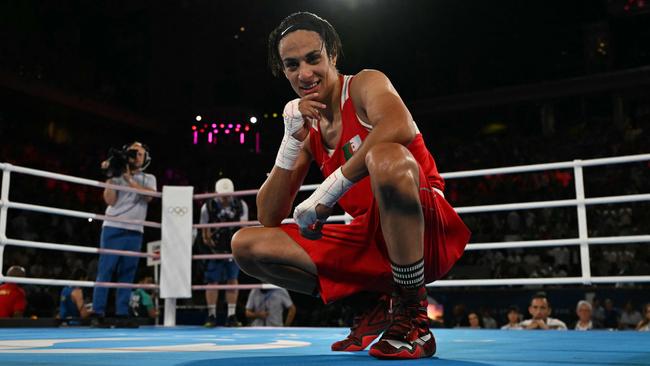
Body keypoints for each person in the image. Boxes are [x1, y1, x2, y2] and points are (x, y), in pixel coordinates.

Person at [231, 12, 470, 359]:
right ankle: (369, 303)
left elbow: (399, 125)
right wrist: (290, 141)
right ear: (283, 71)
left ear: (332, 56)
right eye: (292, 64)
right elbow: (268, 216)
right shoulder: (308, 126)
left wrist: (329, 189)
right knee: (246, 245)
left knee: (388, 157)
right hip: (369, 241)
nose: (305, 74)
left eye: (313, 59)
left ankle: (413, 316)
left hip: (425, 228)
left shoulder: (363, 84)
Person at [92, 141, 157, 326]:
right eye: (133, 152)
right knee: (106, 270)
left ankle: (121, 313)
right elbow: (110, 201)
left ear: (146, 158)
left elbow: (149, 196)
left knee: (127, 273)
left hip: (135, 230)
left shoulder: (149, 178)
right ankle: (98, 312)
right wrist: (113, 175)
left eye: (140, 154)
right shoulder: (116, 175)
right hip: (113, 226)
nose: (136, 156)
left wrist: (129, 178)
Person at [199, 178, 248, 327]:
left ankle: (231, 315)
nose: (226, 197)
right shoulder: (208, 206)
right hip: (215, 248)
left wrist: (239, 246)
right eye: (223, 194)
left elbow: (243, 227)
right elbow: (203, 226)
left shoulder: (240, 205)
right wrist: (207, 240)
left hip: (233, 247)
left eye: (228, 194)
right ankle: (211, 315)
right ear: (216, 193)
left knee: (232, 280)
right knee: (212, 281)